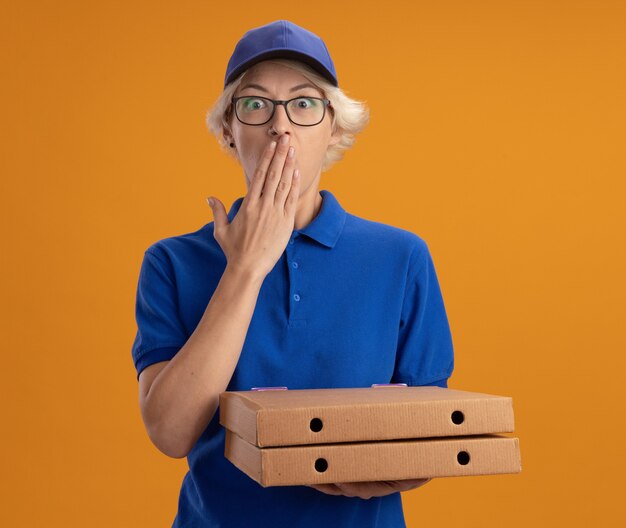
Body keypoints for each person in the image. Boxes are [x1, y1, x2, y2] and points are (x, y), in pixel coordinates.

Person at [131, 19, 455, 527]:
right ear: (229, 131)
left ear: (334, 129)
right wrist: (246, 266)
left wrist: (394, 472)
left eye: (304, 103)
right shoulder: (171, 262)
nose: (280, 125)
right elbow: (170, 433)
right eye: (255, 104)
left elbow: (430, 433)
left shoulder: (401, 256)